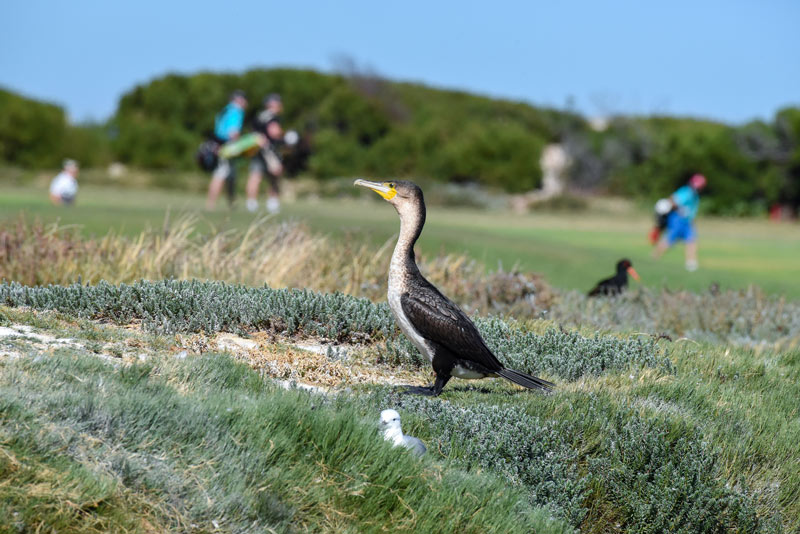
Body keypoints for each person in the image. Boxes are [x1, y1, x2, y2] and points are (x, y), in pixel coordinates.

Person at [652, 173, 707, 271]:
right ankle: (654, 257)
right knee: (669, 240)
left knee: (692, 241)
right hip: (677, 220)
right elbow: (673, 200)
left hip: (688, 222)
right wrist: (679, 209)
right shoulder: (687, 192)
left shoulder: (695, 195)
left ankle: (691, 263)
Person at [206, 90, 247, 210]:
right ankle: (211, 204)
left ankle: (231, 203)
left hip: (218, 144)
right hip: (227, 147)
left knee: (231, 176)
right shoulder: (236, 111)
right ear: (238, 100)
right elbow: (233, 132)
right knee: (221, 174)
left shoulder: (225, 110)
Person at [246, 93, 285, 213]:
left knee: (255, 176)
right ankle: (272, 202)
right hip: (269, 150)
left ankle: (251, 203)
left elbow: (253, 132)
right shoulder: (272, 117)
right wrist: (284, 137)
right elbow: (274, 132)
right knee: (274, 174)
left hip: (257, 149)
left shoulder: (259, 116)